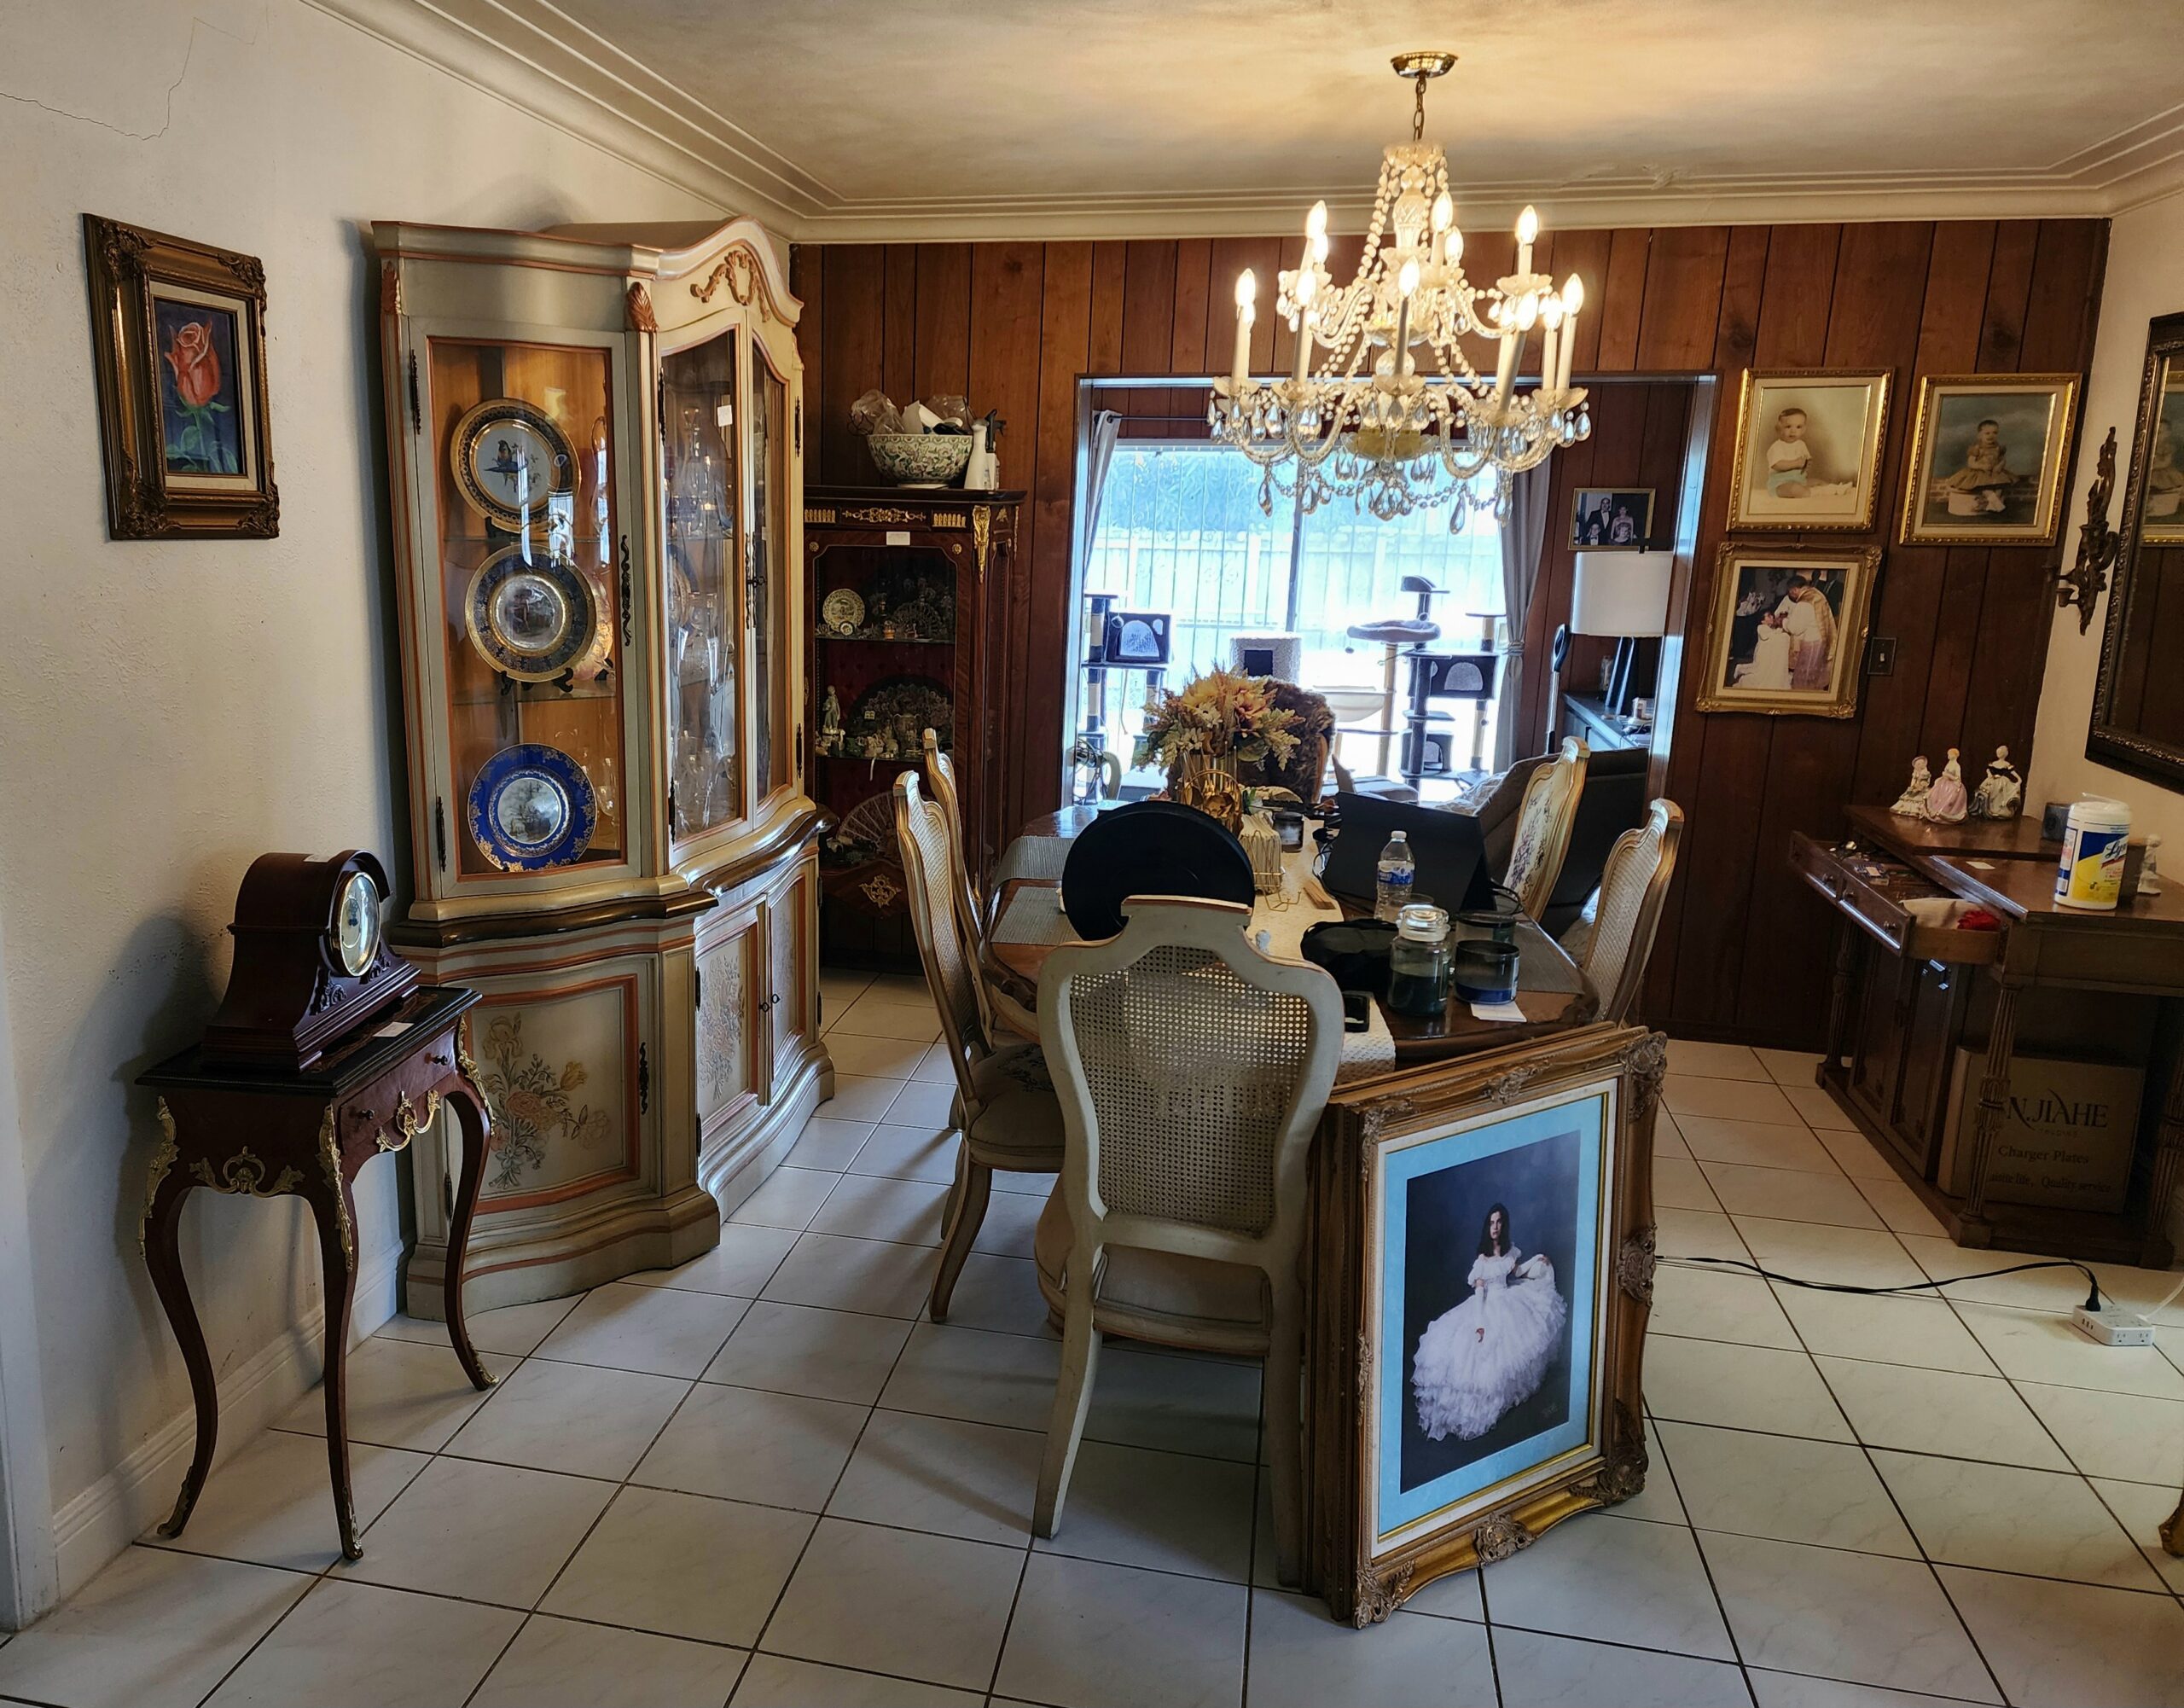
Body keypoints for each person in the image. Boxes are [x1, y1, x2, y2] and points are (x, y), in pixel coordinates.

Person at [1411, 1203, 1569, 1443]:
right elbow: (1479, 1294)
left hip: (1509, 1299)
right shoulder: (1482, 1260)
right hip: (1487, 1304)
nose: (1495, 1227)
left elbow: (1518, 1273)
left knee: (1517, 1347)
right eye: (1491, 1223)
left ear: (1503, 1225)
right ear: (1487, 1226)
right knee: (1478, 1356)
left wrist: (1538, 1260)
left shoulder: (1508, 1251)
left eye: (1499, 1222)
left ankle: (1508, 1393)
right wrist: (1480, 1324)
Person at [1933, 418, 2015, 514]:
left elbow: (2002, 459)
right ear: (1979, 435)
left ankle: (1992, 504)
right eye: (1987, 433)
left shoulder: (1998, 447)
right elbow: (1971, 463)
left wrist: (2000, 466)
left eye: (1995, 433)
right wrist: (1981, 466)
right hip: (1980, 472)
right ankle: (1995, 502)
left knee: (2001, 485)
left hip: (1994, 472)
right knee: (1984, 486)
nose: (1991, 436)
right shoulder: (1977, 448)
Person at [1777, 578, 1838, 691]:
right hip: (1821, 638)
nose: (1791, 595)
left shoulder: (1804, 603)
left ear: (1795, 590)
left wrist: (1783, 621)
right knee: (1815, 674)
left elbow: (1795, 629)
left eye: (1790, 592)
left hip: (1811, 643)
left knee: (1804, 677)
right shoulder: (1817, 594)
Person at [1765, 406, 1815, 499]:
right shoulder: (1777, 447)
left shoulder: (1801, 445)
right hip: (1780, 483)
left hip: (1799, 480)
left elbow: (1806, 460)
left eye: (1798, 427)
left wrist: (1807, 464)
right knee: (1794, 489)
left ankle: (1834, 488)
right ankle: (1815, 493)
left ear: (1803, 430)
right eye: (1788, 427)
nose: (1793, 431)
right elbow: (1777, 465)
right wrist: (1796, 463)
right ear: (1779, 429)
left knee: (1818, 482)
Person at [1737, 611, 1793, 690]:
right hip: (1762, 654)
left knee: (1765, 670)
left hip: (1768, 653)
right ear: (1762, 621)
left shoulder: (1771, 628)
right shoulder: (1761, 627)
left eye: (1771, 615)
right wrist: (1779, 632)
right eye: (1769, 616)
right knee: (1759, 671)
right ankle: (1740, 668)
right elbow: (1766, 636)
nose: (1772, 617)